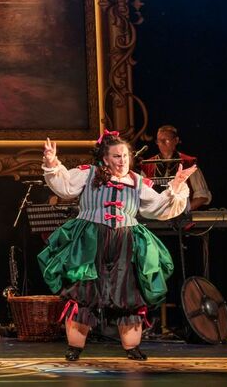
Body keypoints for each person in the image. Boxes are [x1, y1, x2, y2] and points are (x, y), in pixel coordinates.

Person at [38, 131, 197, 361]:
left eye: (125, 156)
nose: (122, 161)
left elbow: (160, 207)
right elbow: (64, 186)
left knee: (129, 293)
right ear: (105, 158)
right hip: (91, 241)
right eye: (116, 156)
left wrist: (176, 186)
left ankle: (132, 348)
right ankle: (75, 347)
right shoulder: (88, 174)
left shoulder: (137, 181)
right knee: (83, 291)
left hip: (126, 243)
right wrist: (52, 162)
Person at [139, 125, 211, 210]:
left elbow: (202, 196)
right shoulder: (148, 165)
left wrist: (184, 210)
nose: (161, 143)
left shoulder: (188, 163)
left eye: (165, 140)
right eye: (159, 140)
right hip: (156, 218)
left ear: (176, 140)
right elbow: (141, 195)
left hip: (182, 219)